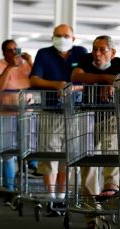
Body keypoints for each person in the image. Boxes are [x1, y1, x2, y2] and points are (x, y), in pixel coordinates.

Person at [30, 24, 87, 216]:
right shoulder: (44, 54)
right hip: (50, 111)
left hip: (74, 112)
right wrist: (57, 85)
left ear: (73, 37)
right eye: (58, 35)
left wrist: (73, 88)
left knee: (67, 155)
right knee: (49, 154)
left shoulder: (80, 53)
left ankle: (61, 197)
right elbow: (35, 79)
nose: (62, 38)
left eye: (66, 35)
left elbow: (86, 79)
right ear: (52, 37)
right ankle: (51, 197)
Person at [71, 35, 120, 227]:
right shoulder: (85, 59)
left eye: (102, 49)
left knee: (112, 147)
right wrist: (107, 80)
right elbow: (76, 76)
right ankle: (92, 213)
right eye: (95, 49)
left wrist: (111, 83)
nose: (97, 53)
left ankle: (111, 184)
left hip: (109, 115)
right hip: (88, 116)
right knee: (88, 164)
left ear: (112, 52)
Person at [0, 39, 32, 197]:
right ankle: (9, 188)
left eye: (16, 49)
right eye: (10, 50)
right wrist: (10, 66)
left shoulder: (26, 65)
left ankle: (27, 184)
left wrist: (30, 62)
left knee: (28, 149)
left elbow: (37, 83)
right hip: (3, 115)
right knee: (7, 151)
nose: (14, 52)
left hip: (25, 113)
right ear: (4, 52)